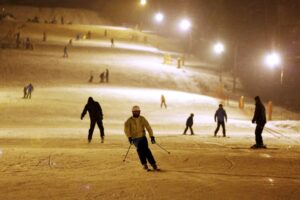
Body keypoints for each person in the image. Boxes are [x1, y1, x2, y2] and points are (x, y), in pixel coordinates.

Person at [124, 105, 159, 171]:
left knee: (146, 150)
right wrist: (129, 137)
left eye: (138, 112)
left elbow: (148, 127)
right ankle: (144, 164)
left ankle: (153, 164)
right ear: (132, 112)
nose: (137, 113)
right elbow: (126, 130)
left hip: (143, 137)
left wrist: (151, 136)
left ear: (139, 112)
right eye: (135, 112)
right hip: (135, 139)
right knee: (140, 150)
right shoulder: (129, 121)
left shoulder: (142, 119)